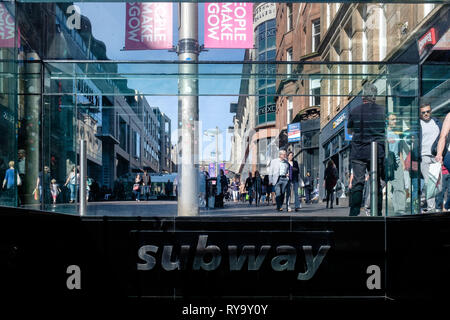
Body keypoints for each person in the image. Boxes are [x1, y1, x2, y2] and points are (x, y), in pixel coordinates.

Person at [347, 83, 385, 216]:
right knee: (377, 182)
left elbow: (350, 130)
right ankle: (378, 213)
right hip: (377, 151)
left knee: (358, 182)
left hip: (358, 151)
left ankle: (354, 212)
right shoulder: (382, 110)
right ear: (375, 96)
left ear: (363, 95)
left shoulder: (355, 111)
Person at [418, 103, 441, 212]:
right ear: (420, 113)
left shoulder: (437, 122)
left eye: (428, 111)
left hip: (436, 156)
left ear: (431, 111)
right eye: (423, 112)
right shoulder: (418, 124)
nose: (426, 114)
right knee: (429, 182)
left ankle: (421, 200)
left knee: (438, 184)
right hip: (424, 155)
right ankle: (431, 208)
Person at [386, 113, 406, 215]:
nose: (395, 121)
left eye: (396, 120)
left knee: (400, 187)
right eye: (393, 119)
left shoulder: (397, 134)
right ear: (387, 120)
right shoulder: (384, 133)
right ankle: (369, 206)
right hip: (387, 164)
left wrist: (402, 163)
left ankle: (399, 210)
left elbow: (399, 150)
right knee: (378, 186)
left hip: (397, 163)